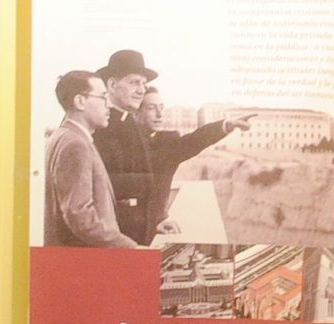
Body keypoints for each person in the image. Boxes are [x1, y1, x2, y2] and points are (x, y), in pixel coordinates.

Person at [90, 53, 246, 244]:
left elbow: (187, 144)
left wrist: (155, 220)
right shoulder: (96, 123)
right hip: (111, 235)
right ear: (112, 85)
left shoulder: (131, 125)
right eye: (134, 83)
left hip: (135, 232)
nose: (140, 90)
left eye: (143, 84)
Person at [43, 70, 136, 249]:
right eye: (102, 97)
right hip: (82, 261)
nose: (108, 105)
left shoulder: (62, 137)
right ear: (80, 101)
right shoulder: (76, 144)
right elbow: (79, 216)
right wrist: (130, 248)